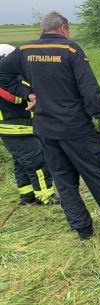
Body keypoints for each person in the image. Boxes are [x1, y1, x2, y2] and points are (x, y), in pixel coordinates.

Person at [0, 12, 100, 240]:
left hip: (46, 130)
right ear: (64, 28)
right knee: (97, 173)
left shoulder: (24, 50)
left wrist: (27, 93)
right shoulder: (70, 50)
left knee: (64, 181)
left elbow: (3, 74)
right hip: (76, 128)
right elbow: (90, 91)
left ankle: (83, 230)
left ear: (43, 29)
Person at [0, 44, 57, 205]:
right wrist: (30, 86)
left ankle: (27, 195)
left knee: (21, 162)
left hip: (15, 129)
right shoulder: (5, 81)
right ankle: (46, 196)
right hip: (15, 129)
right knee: (37, 161)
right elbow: (16, 98)